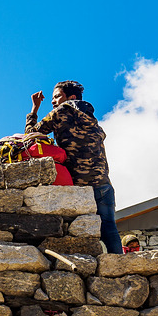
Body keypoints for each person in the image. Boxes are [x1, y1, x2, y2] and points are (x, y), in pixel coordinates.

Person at [26, 80, 122, 254]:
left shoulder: (61, 112)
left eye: (57, 96)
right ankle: (119, 266)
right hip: (104, 185)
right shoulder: (93, 121)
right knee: (109, 229)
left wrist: (34, 109)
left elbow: (30, 137)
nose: (53, 101)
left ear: (71, 97)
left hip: (79, 187)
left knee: (78, 233)